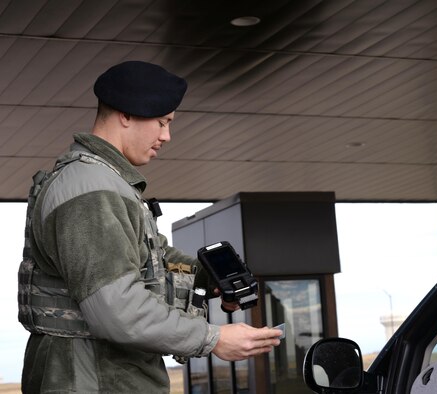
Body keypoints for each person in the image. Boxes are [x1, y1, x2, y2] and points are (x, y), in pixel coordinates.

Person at [17, 61, 282, 393]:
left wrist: (205, 275)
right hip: (92, 379)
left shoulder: (104, 183)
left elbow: (150, 256)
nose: (166, 136)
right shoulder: (92, 190)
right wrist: (212, 339)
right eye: (162, 122)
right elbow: (116, 309)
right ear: (126, 115)